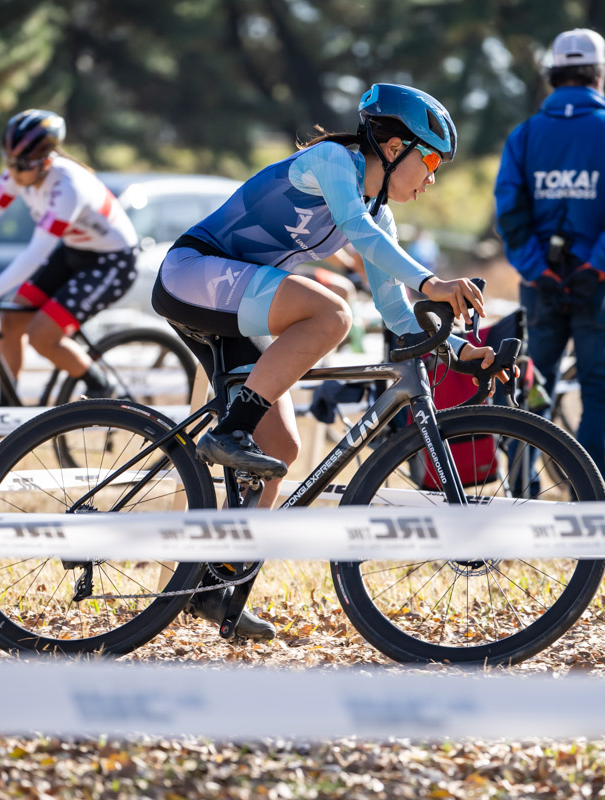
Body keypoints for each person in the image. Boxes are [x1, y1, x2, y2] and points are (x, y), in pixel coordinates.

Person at [152, 83, 497, 639]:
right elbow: (358, 234)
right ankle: (230, 432)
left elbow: (395, 311)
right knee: (333, 313)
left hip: (232, 297)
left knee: (281, 452)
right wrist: (432, 280)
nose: (432, 178)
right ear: (391, 146)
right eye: (430, 161)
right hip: (194, 273)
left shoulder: (378, 216)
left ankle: (216, 586)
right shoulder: (333, 161)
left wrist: (458, 351)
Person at [493, 28, 605, 479]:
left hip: (541, 284)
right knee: (599, 390)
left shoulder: (523, 135)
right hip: (599, 282)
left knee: (532, 385)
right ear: (599, 76)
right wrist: (596, 265)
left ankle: (524, 485)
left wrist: (536, 268)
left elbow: (510, 208)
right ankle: (588, 498)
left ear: (552, 77)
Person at [0, 109, 139, 399]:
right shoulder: (20, 175)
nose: (14, 173)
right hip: (74, 251)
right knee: (11, 321)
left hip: (113, 262)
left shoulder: (67, 187)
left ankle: (103, 387)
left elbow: (37, 251)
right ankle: (8, 409)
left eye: (22, 165)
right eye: (10, 163)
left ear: (44, 162)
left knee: (42, 337)